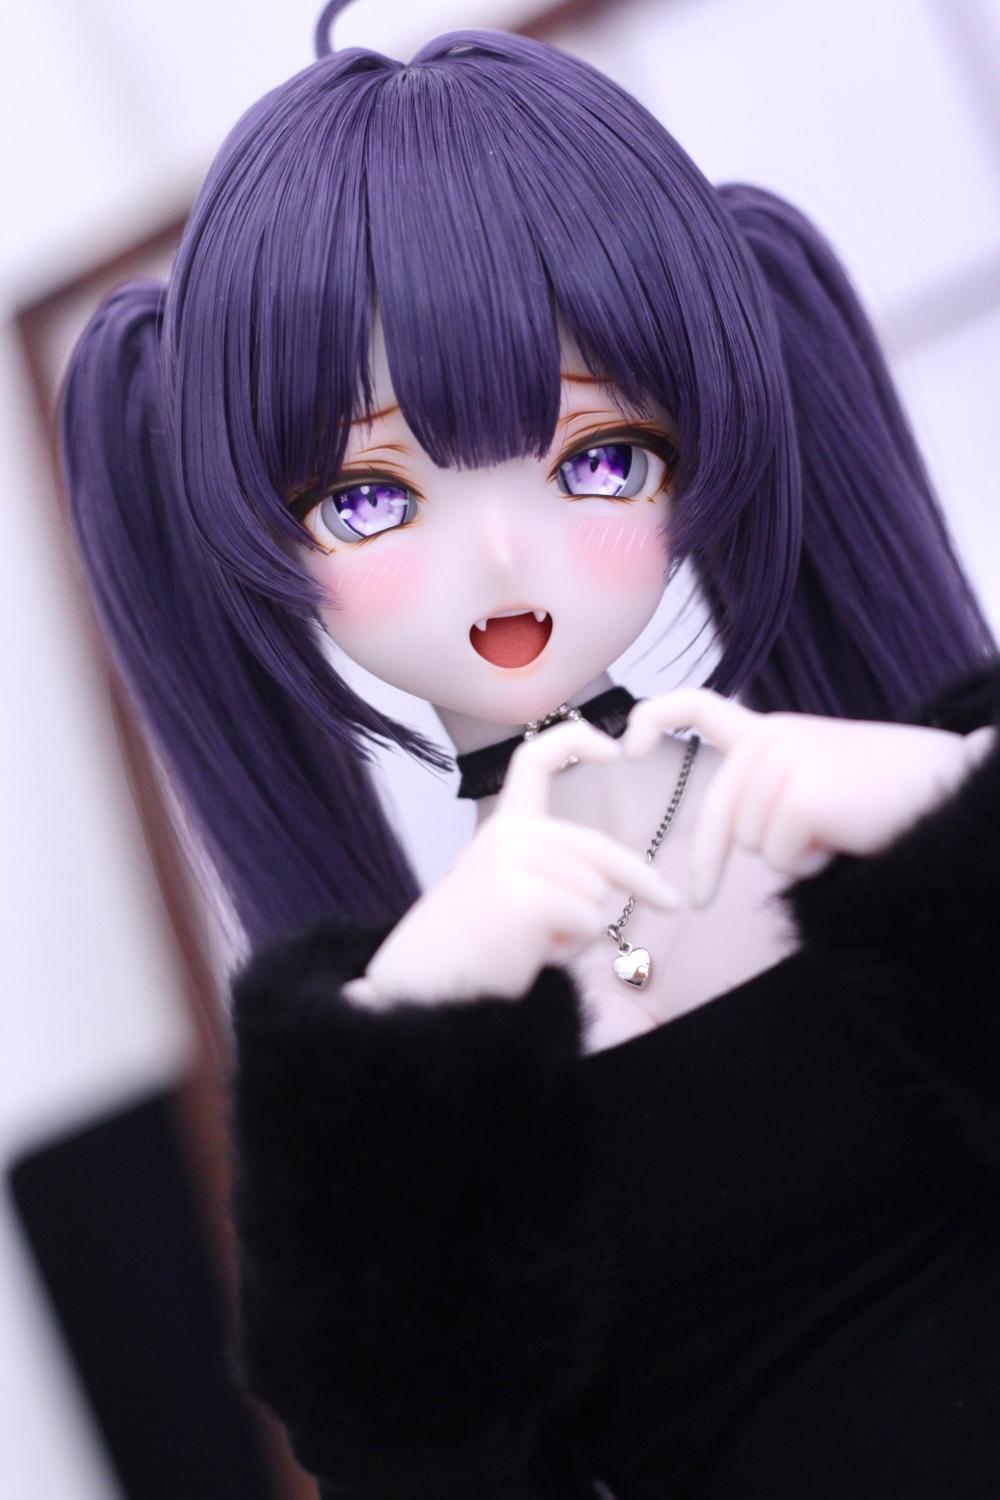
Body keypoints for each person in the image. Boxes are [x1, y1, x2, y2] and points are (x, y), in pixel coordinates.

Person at [59, 6, 1000, 1496]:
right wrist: (410, 1040)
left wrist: (957, 814)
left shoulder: (884, 801)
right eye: (371, 497)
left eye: (594, 460)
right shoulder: (407, 1042)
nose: (504, 557)